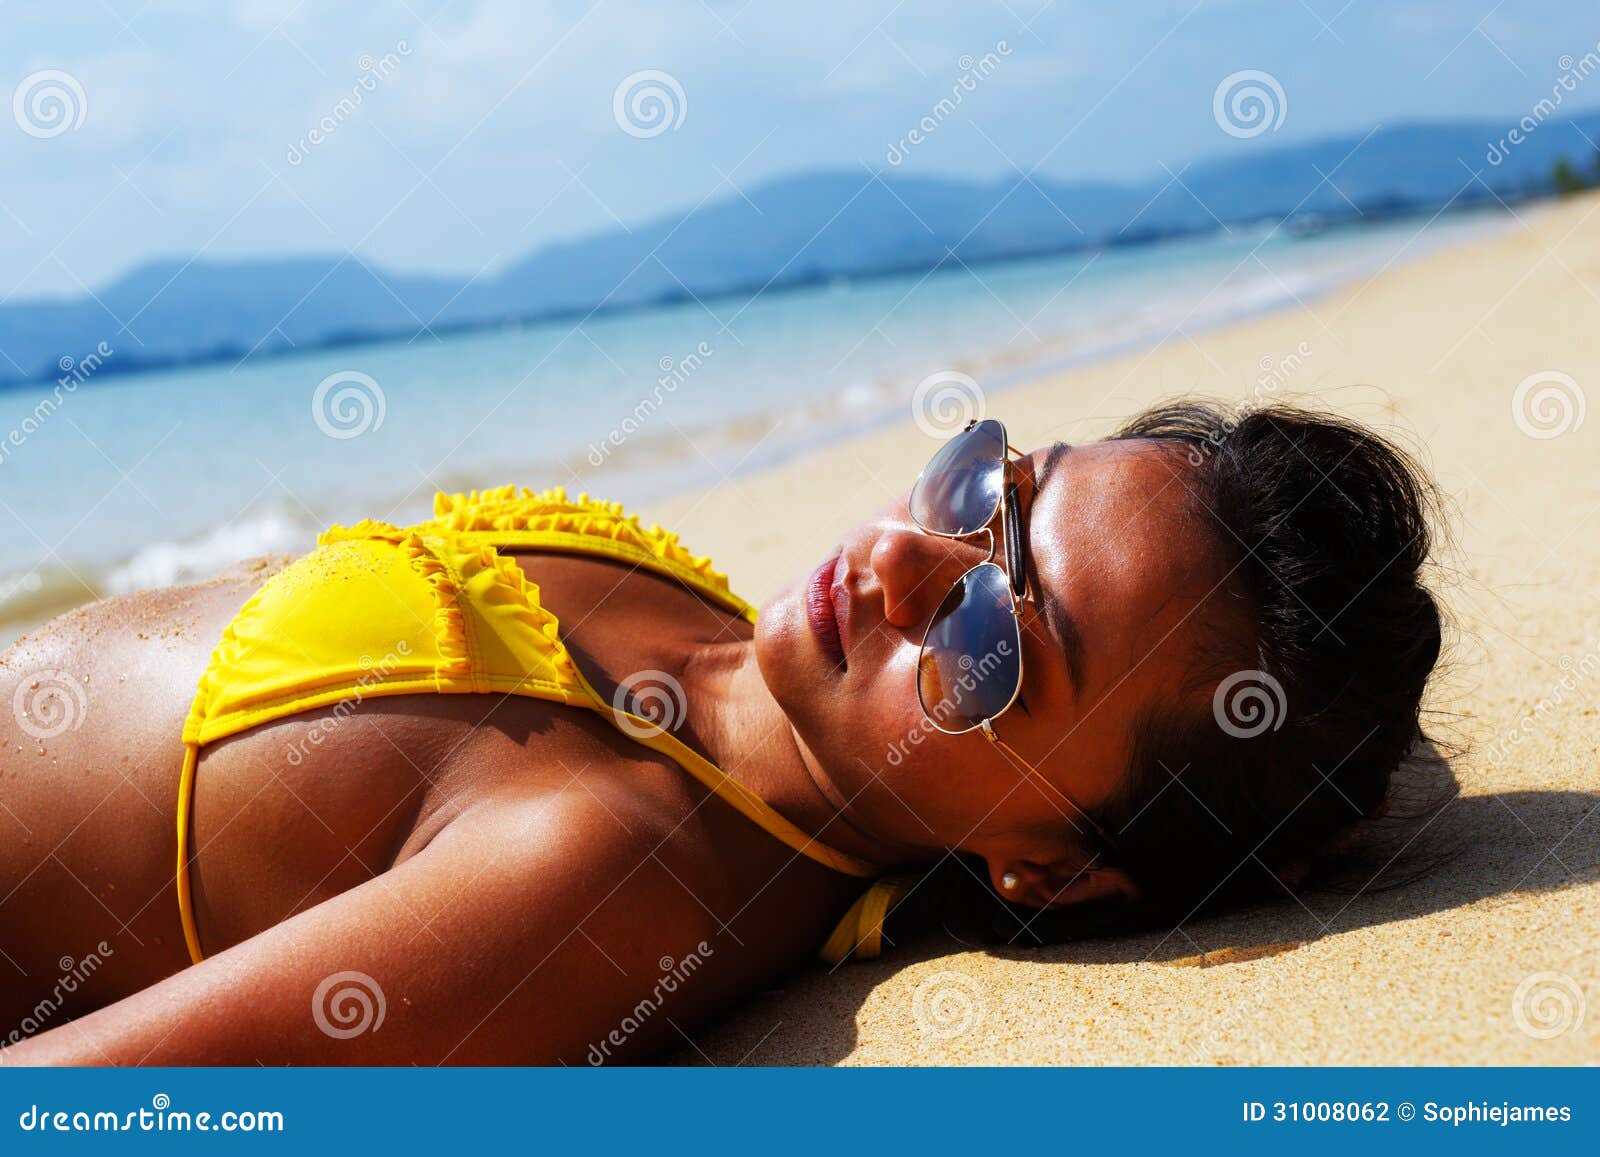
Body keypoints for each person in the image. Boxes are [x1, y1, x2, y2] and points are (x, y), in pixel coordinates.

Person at [0, 398, 1442, 1064]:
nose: (898, 566)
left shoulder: (608, 879)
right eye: (981, 491)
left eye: (994, 639)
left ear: (1051, 872)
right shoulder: (709, 638)